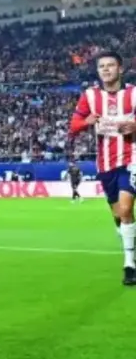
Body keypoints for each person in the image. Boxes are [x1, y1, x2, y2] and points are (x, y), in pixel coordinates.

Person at [68, 51, 136, 286]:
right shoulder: (90, 96)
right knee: (119, 215)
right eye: (101, 66)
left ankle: (129, 265)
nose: (106, 69)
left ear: (120, 68)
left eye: (110, 65)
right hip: (105, 164)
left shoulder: (133, 94)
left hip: (130, 160)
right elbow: (74, 125)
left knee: (126, 210)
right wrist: (86, 122)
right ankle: (128, 238)